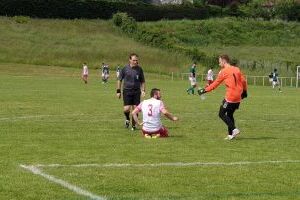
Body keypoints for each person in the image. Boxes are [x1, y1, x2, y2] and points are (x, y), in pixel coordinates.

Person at [198, 55, 248, 140]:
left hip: (231, 96)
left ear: (224, 61)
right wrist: (245, 91)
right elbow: (243, 81)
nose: (219, 63)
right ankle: (230, 135)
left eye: (220, 61)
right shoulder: (236, 69)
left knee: (221, 114)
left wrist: (204, 90)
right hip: (238, 96)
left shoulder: (223, 71)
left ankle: (234, 129)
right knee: (230, 114)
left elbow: (215, 84)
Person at [117, 53, 146, 131]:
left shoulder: (139, 69)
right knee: (126, 109)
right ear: (130, 60)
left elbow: (142, 81)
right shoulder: (125, 68)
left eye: (137, 60)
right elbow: (119, 80)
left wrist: (143, 90)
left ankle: (133, 125)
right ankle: (127, 119)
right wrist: (118, 91)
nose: (136, 62)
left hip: (136, 92)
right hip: (127, 91)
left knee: (136, 109)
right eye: (134, 60)